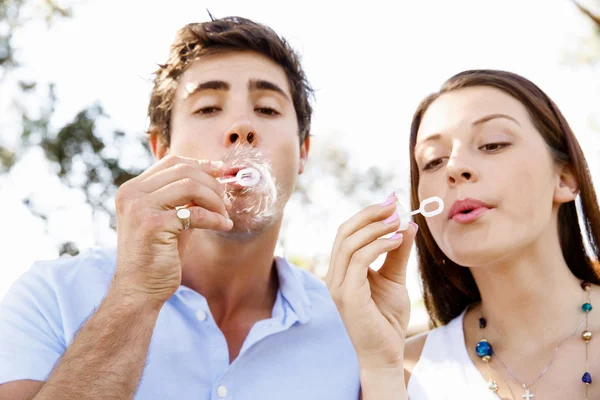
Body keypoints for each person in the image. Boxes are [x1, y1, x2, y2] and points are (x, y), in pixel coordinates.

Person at [0, 16, 361, 400]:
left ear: (303, 152)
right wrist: (134, 297)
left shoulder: (353, 330)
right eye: (208, 108)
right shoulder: (50, 296)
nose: (241, 127)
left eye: (268, 109)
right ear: (161, 150)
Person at [327, 69, 600, 400]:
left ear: (566, 178)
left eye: (492, 144)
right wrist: (381, 369)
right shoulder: (402, 371)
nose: (454, 168)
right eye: (432, 161)